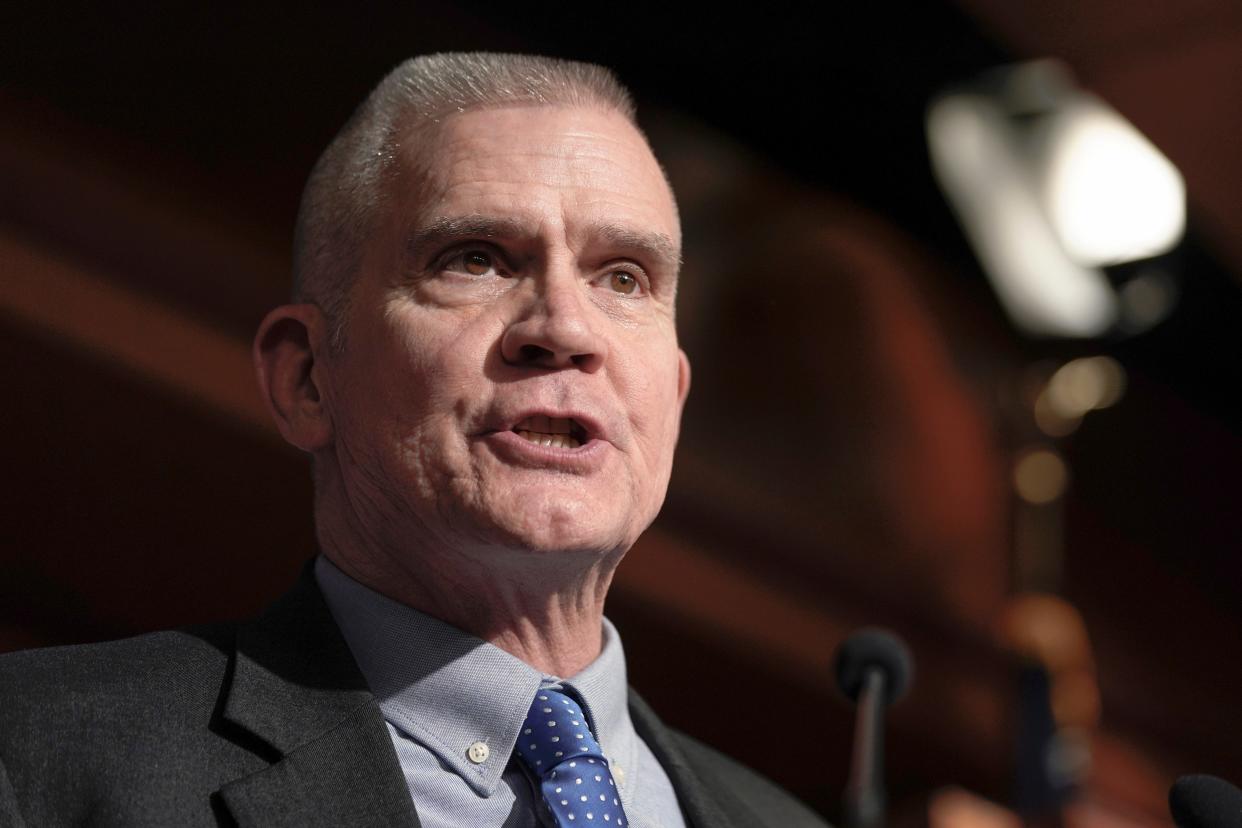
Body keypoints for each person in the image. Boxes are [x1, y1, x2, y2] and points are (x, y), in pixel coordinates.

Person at [0, 53, 829, 827]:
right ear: (307, 379)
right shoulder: (37, 754)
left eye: (623, 277)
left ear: (674, 400)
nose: (566, 328)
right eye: (476, 259)